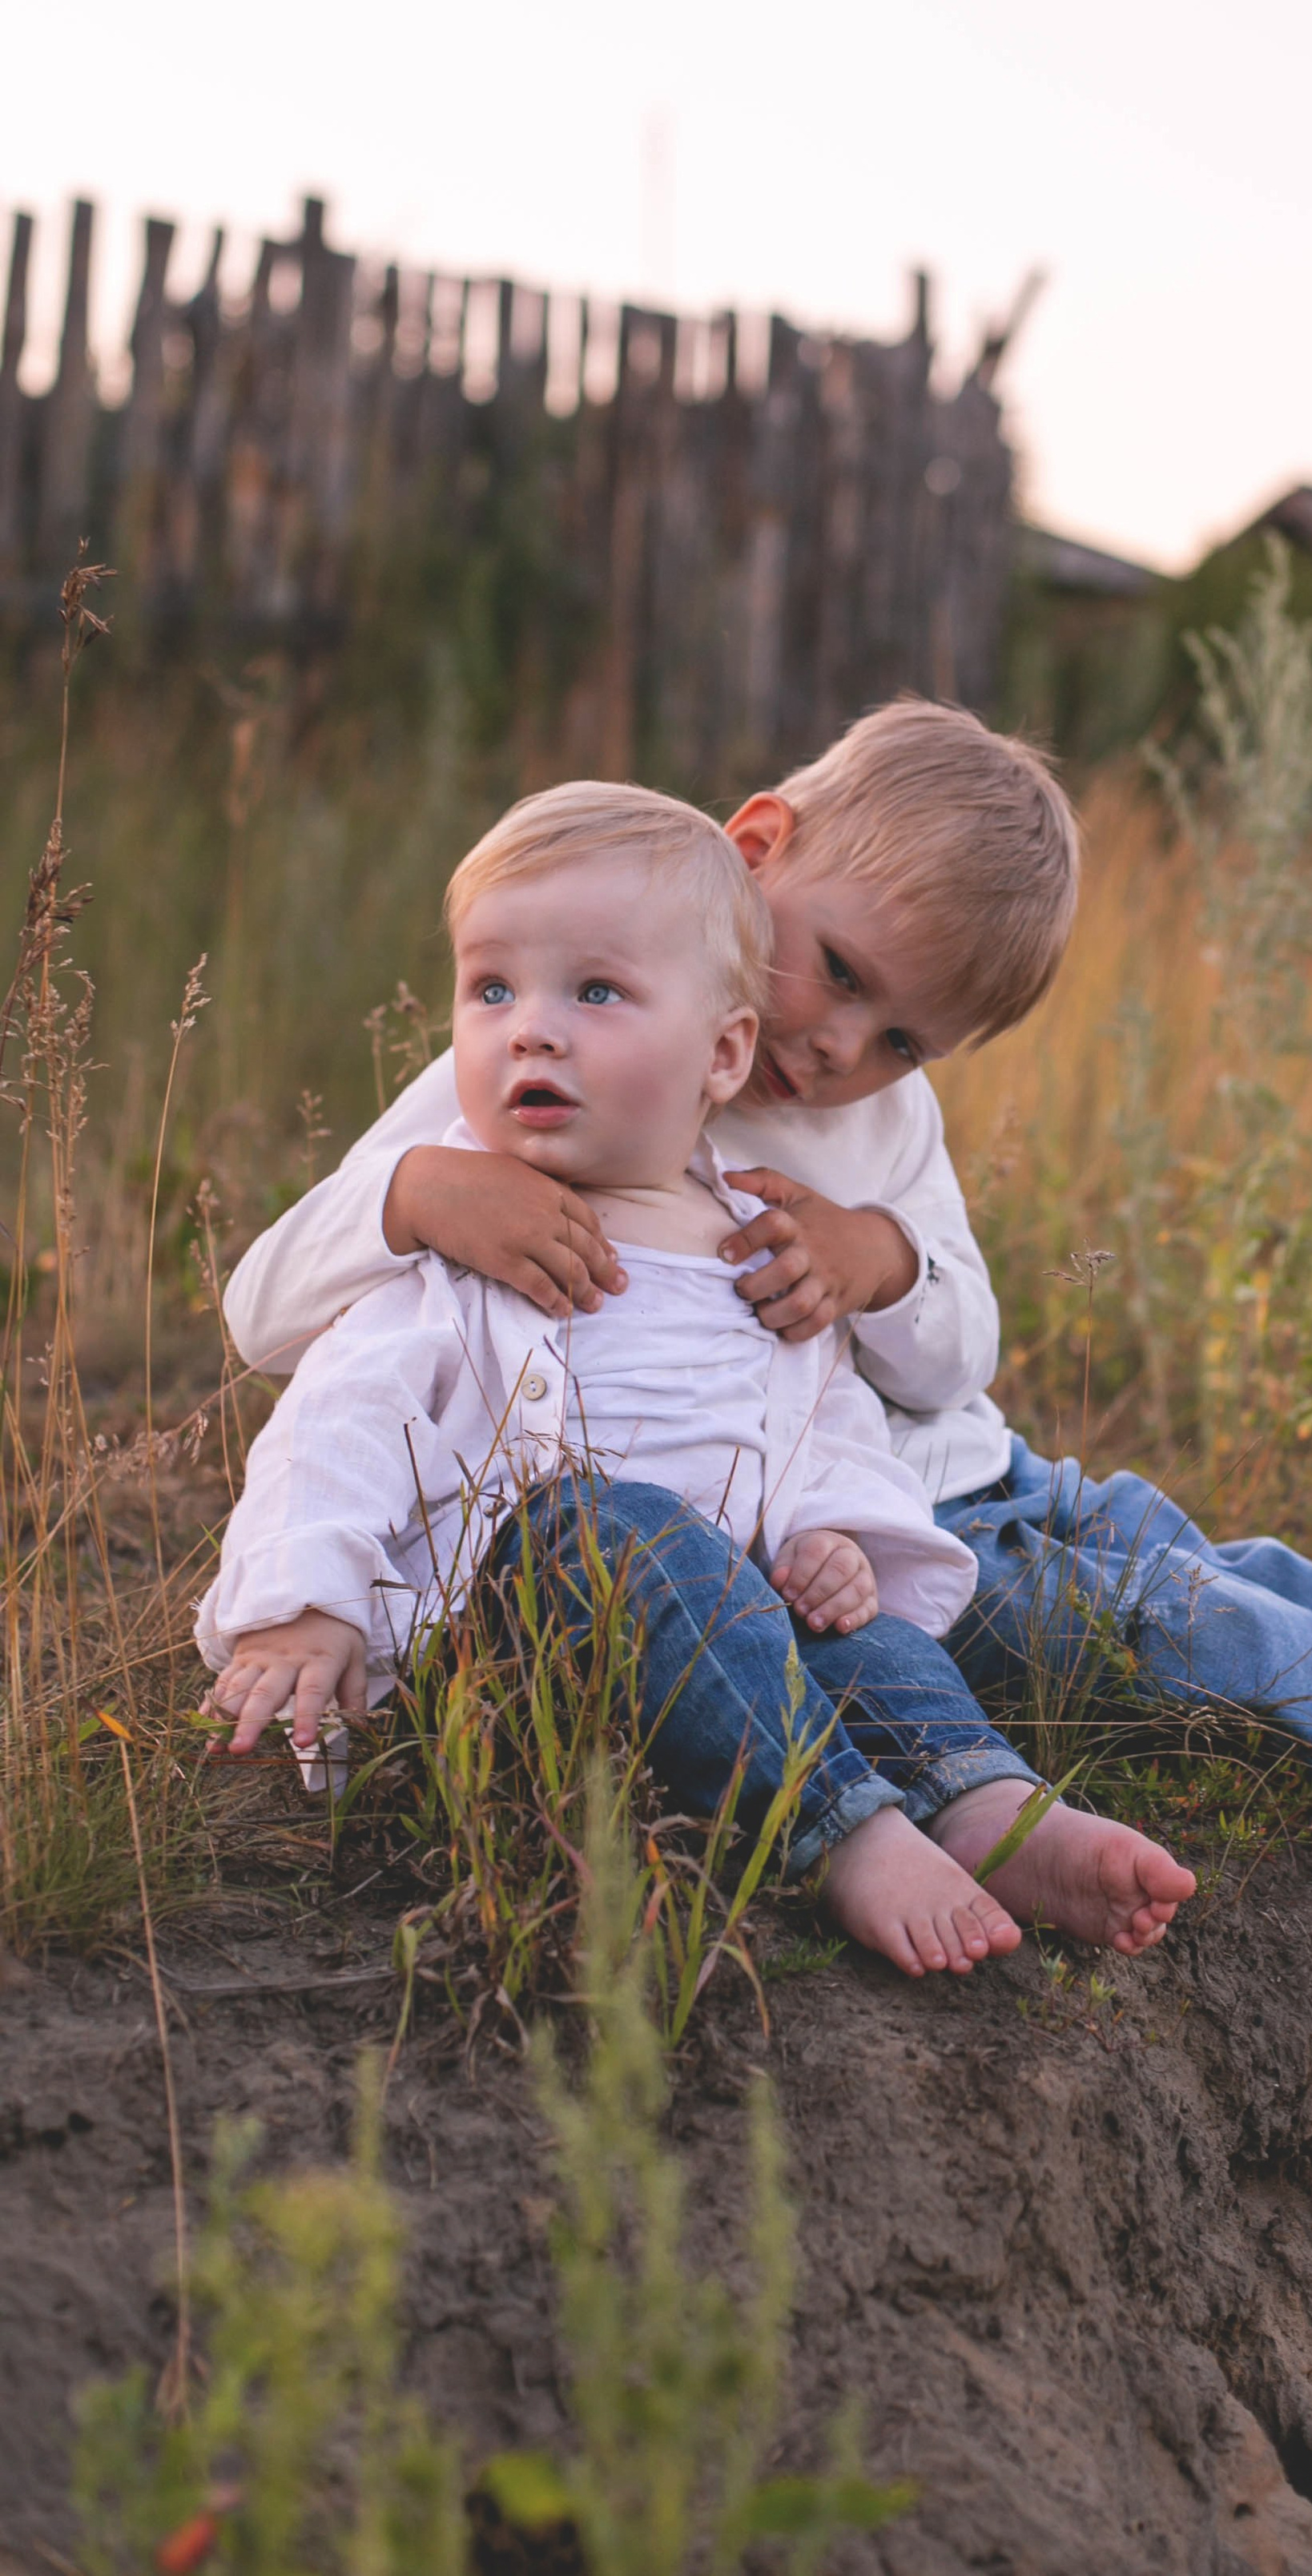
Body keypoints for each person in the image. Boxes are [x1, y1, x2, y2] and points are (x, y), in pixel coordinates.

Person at [224, 706, 1312, 1989]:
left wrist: (879, 1255)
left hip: (993, 1473)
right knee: (1211, 1642)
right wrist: (424, 1200)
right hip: (898, 1556)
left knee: (1270, 1577)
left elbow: (956, 1340)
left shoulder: (873, 1123)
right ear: (752, 852)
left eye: (902, 1031)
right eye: (831, 973)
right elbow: (269, 1317)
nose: (832, 1047)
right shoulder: (557, 1040)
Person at [199, 780, 1196, 1982]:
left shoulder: (749, 1244)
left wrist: (836, 1533)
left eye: (597, 993)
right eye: (492, 989)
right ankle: (843, 1831)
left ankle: (983, 1802)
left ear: (723, 1051)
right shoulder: (471, 1231)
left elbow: (817, 1423)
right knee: (616, 1528)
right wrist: (303, 1605)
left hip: (728, 1641)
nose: (533, 1029)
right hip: (522, 1647)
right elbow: (335, 1428)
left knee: (851, 1630)